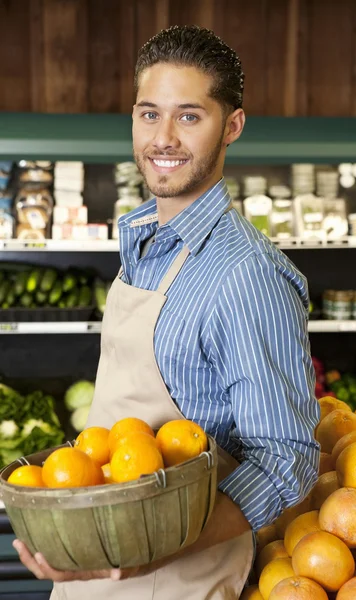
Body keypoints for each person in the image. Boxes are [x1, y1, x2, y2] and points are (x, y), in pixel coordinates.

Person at [14, 25, 319, 600]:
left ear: (232, 126)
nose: (164, 138)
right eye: (149, 114)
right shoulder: (145, 240)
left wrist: (143, 551)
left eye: (189, 116)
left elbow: (287, 461)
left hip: (174, 583)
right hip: (94, 572)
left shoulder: (245, 274)